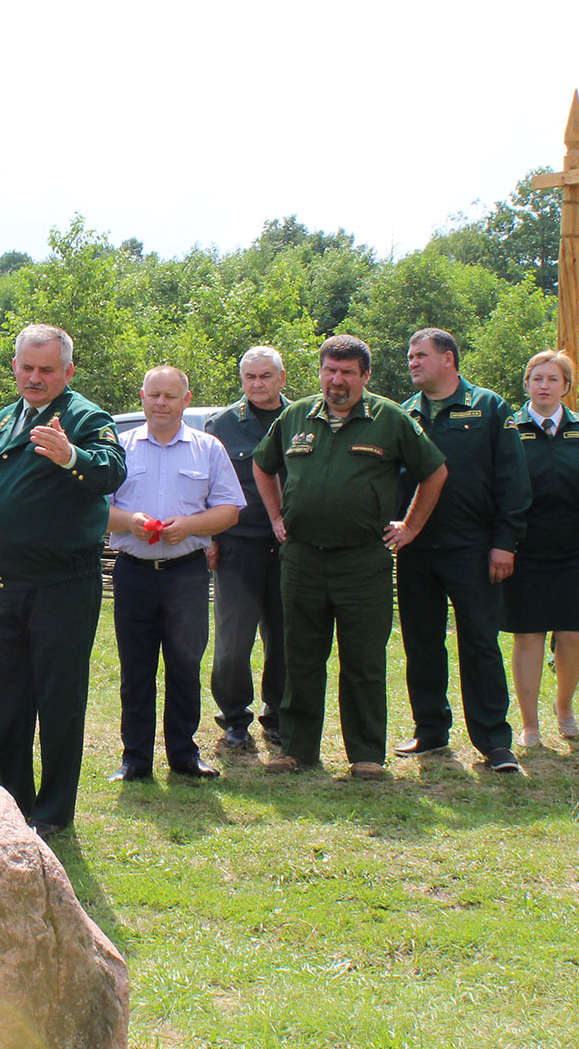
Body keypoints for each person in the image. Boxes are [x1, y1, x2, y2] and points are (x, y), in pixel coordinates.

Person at [253, 334, 446, 780]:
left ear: (365, 375)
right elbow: (263, 464)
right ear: (320, 371)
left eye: (347, 372)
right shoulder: (296, 415)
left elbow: (435, 471)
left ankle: (365, 755)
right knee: (300, 657)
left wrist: (411, 526)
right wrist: (276, 516)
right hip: (302, 558)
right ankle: (297, 749)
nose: (337, 380)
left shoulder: (390, 418)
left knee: (363, 661)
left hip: (362, 561)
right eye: (330, 370)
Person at [0, 324, 125, 837]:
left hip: (61, 585)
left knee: (58, 701)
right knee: (6, 702)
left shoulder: (84, 417)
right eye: (27, 367)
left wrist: (70, 455)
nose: (35, 378)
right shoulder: (4, 419)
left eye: (47, 370)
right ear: (14, 366)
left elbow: (112, 471)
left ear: (68, 371)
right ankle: (13, 802)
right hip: (4, 584)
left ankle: (53, 812)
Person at [392, 328, 531, 773]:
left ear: (448, 358)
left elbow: (512, 480)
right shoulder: (405, 413)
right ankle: (430, 730)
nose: (413, 363)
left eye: (421, 355)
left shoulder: (489, 407)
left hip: (473, 546)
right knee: (421, 643)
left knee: (480, 643)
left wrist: (504, 542)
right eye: (410, 357)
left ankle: (494, 742)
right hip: (417, 548)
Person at [105, 366, 244, 782]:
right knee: (136, 668)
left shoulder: (208, 448)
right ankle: (135, 758)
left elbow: (230, 510)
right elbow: (95, 509)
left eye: (170, 396)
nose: (161, 403)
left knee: (185, 666)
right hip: (134, 573)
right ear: (142, 397)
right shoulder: (119, 448)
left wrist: (190, 525)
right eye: (154, 395)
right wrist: (130, 522)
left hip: (186, 574)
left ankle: (184, 754)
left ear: (186, 400)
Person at [502, 351, 579, 749]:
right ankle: (529, 723)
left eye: (553, 379)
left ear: (567, 387)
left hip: (577, 550)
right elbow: (499, 489)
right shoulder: (509, 427)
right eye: (537, 378)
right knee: (528, 635)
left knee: (574, 635)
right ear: (527, 384)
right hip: (525, 550)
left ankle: (564, 708)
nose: (544, 386)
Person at [204, 345, 290, 753]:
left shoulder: (302, 419)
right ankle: (234, 719)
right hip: (238, 545)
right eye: (250, 377)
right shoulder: (221, 424)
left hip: (290, 547)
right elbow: (204, 485)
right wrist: (209, 538)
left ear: (282, 378)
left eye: (265, 376)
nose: (257, 384)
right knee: (233, 640)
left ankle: (279, 715)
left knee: (286, 636)